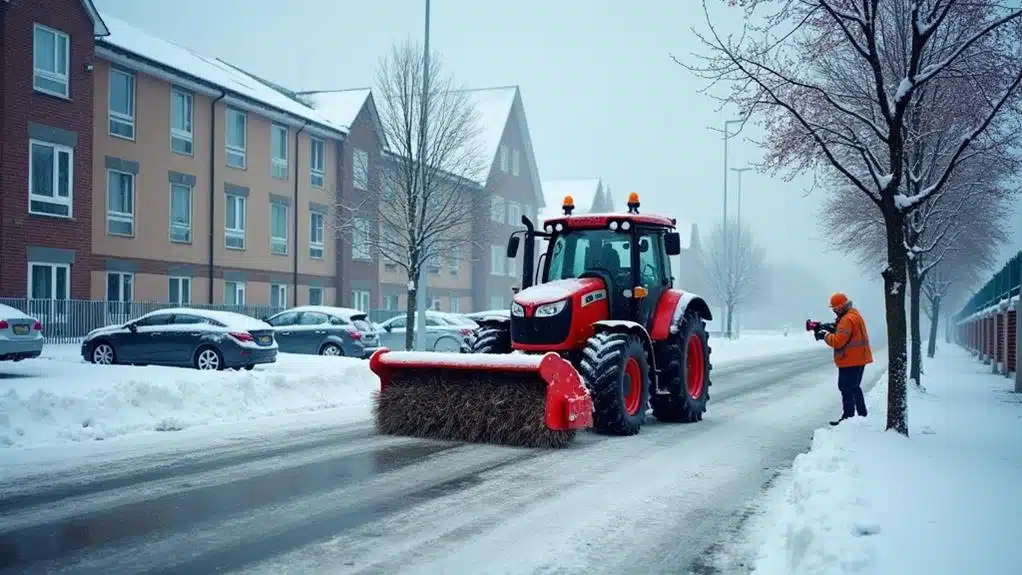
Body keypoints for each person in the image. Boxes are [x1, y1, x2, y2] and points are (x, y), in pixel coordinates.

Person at [814, 292, 873, 425]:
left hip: (850, 360)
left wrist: (824, 335)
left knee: (846, 387)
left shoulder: (847, 319)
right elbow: (845, 332)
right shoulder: (853, 315)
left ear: (841, 306)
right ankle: (861, 415)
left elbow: (839, 341)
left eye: (835, 308)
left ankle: (849, 417)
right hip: (858, 358)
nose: (834, 310)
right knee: (854, 387)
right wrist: (831, 327)